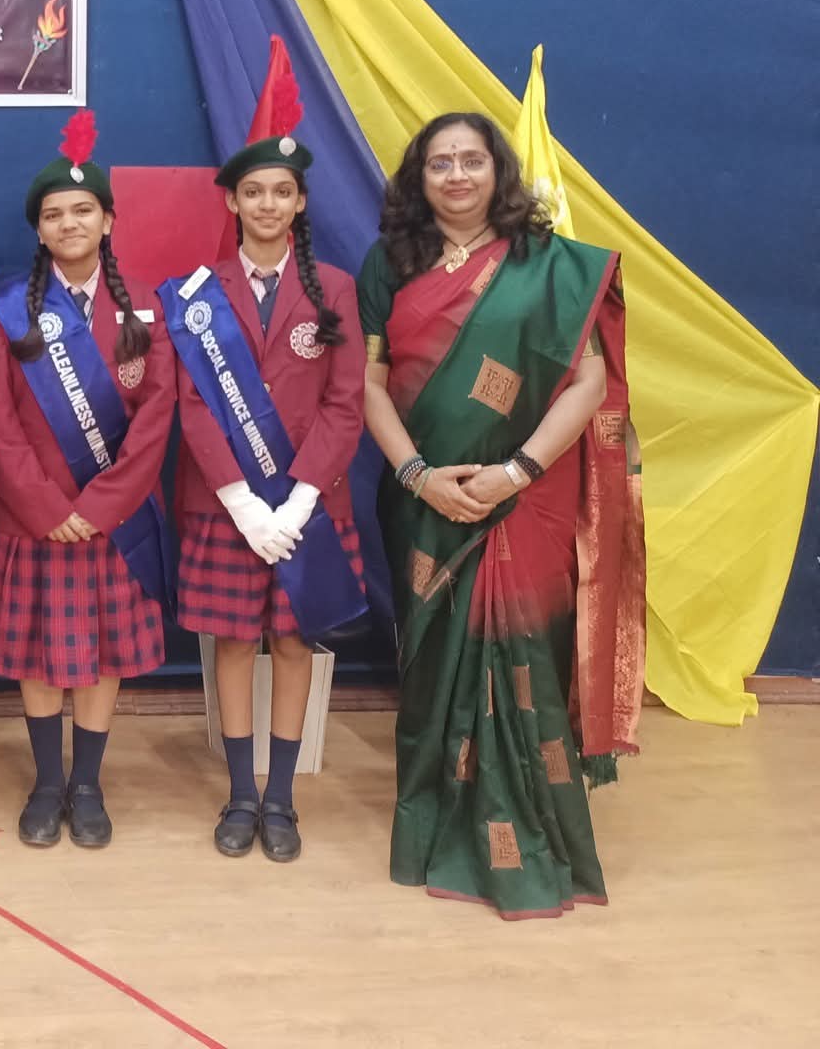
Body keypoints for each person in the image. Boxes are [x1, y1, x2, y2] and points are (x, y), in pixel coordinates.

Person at [358, 111, 644, 919]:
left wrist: (515, 472)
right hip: (423, 503)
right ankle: (431, 836)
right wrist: (418, 476)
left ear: (498, 172)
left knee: (524, 668)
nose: (456, 175)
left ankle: (538, 838)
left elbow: (589, 382)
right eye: (439, 163)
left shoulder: (548, 265)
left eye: (471, 160)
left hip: (523, 502)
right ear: (419, 178)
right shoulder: (390, 262)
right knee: (431, 680)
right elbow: (369, 384)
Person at [0, 111, 178, 849]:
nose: (69, 223)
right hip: (32, 516)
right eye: (54, 214)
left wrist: (102, 505)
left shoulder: (147, 308)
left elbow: (156, 418)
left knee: (102, 657)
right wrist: (44, 505)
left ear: (108, 220)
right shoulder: (7, 309)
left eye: (83, 210)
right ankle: (46, 781)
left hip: (114, 520)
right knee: (38, 653)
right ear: (39, 230)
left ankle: (87, 783)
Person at [166, 127, 367, 863]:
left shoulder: (335, 289)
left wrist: (299, 499)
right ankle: (240, 794)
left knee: (291, 642)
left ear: (301, 202)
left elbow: (346, 403)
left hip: (306, 506)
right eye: (253, 192)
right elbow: (192, 406)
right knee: (230, 642)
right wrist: (243, 502)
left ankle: (280, 796)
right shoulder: (198, 294)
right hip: (227, 507)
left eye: (282, 192)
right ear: (232, 202)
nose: (268, 204)